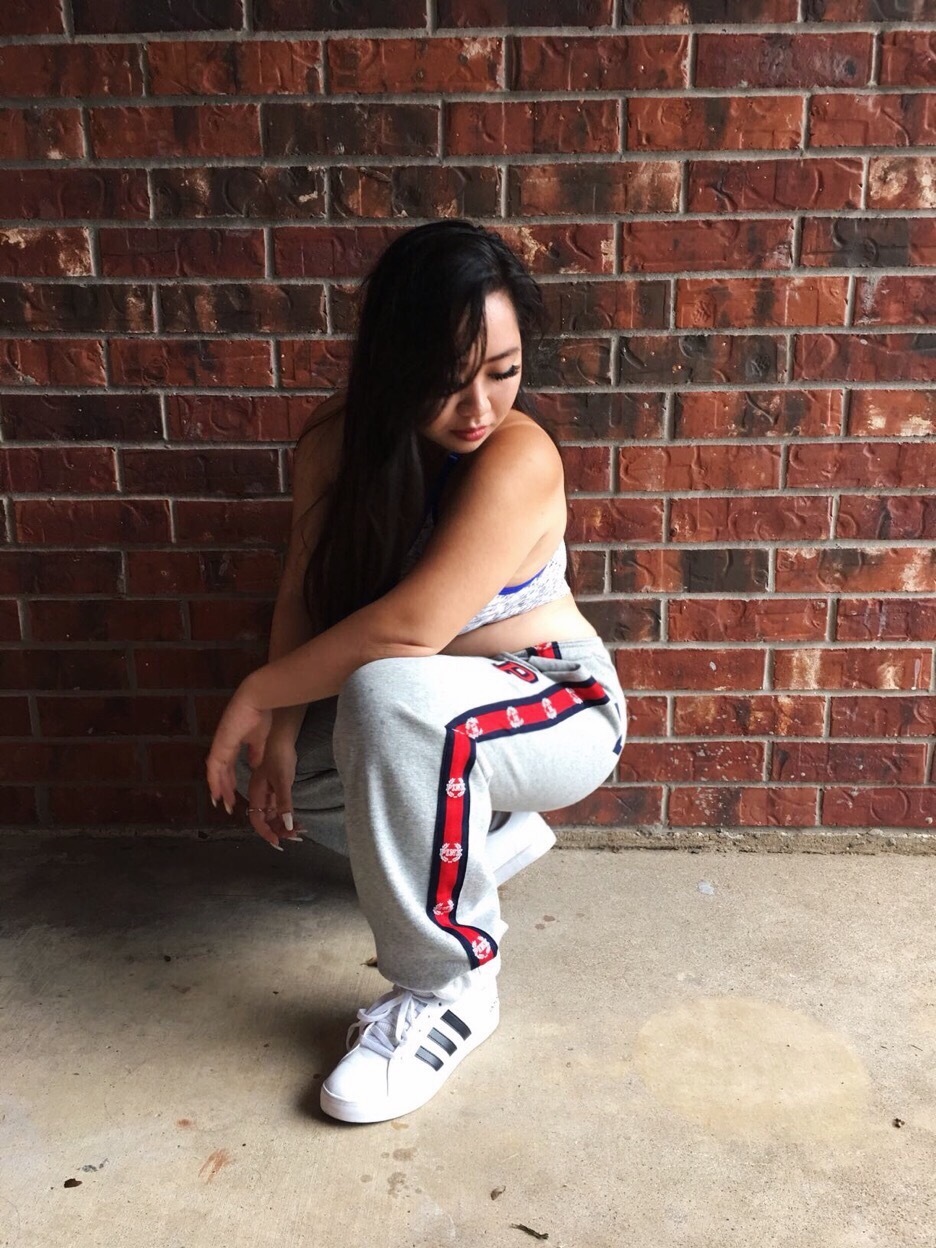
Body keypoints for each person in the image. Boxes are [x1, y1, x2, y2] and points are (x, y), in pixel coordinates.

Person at [205, 219, 628, 1125]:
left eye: (503, 371)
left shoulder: (518, 454)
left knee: (384, 694)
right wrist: (277, 733)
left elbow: (410, 629)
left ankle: (451, 987)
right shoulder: (337, 441)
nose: (478, 407)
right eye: (446, 381)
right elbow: (306, 591)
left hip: (557, 700)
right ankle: (485, 839)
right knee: (275, 769)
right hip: (439, 711)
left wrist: (257, 691)